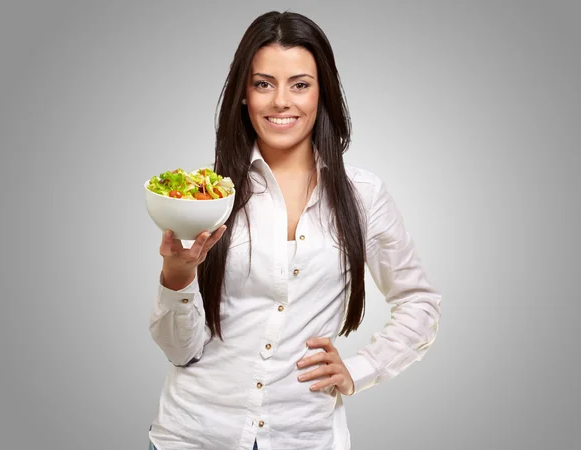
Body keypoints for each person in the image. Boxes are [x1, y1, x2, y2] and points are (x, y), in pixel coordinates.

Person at [147, 10, 441, 450]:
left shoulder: (364, 196)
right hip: (193, 435)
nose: (281, 101)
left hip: (304, 437)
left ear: (322, 95)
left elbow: (419, 302)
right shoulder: (206, 197)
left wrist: (359, 370)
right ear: (244, 95)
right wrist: (177, 276)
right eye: (263, 84)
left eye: (300, 84)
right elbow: (180, 350)